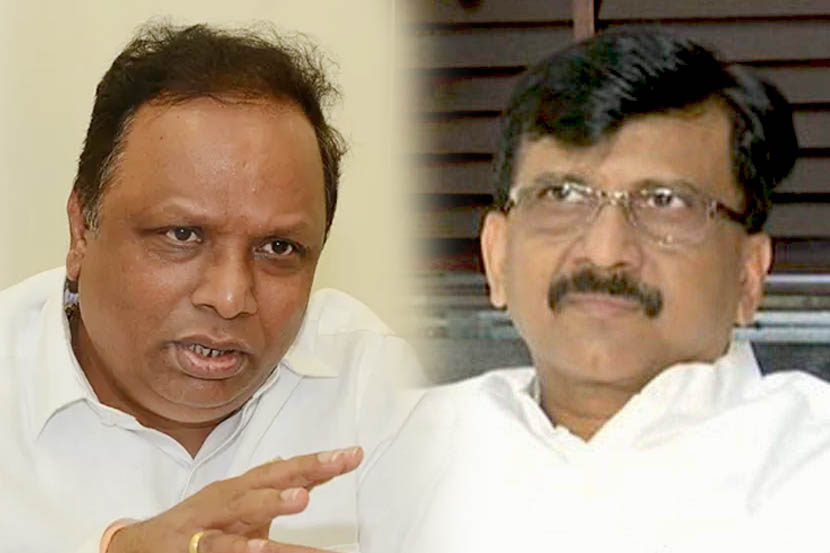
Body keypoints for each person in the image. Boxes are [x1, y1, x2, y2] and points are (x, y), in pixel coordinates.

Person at [364, 29, 830, 552]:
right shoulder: (376, 455)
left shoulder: (813, 467)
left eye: (664, 202)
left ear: (748, 274)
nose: (606, 253)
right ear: (496, 256)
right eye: (561, 195)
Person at [0, 23, 419, 553]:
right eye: (182, 235)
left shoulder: (369, 381)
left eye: (278, 248)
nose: (228, 298)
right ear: (82, 230)